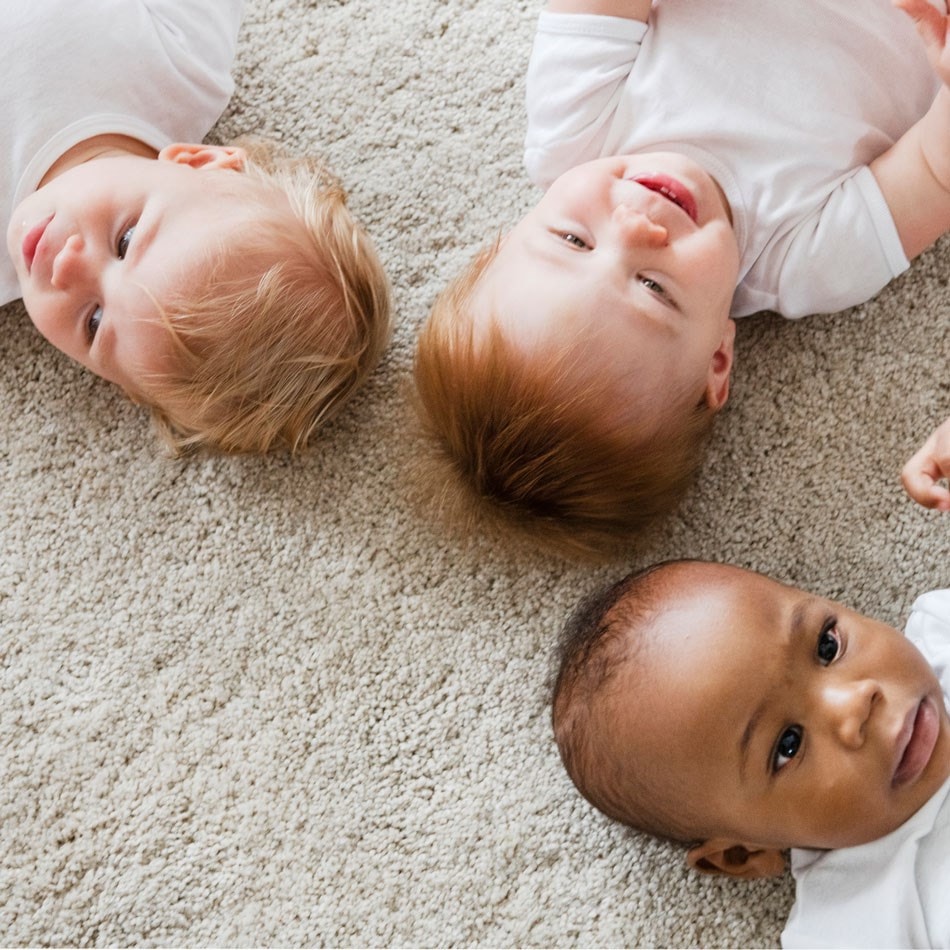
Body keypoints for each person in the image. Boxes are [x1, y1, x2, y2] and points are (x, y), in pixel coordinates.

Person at [414, 0, 950, 557]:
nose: (634, 226)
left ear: (494, 249)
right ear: (717, 359)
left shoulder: (572, 130)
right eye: (653, 287)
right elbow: (936, 171)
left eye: (573, 240)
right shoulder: (810, 261)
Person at [4, 1, 391, 454]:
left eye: (94, 321)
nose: (68, 266)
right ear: (201, 161)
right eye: (125, 242)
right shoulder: (183, 66)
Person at [552, 559, 950, 948]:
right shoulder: (854, 925)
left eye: (827, 645)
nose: (855, 703)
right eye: (787, 745)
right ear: (743, 854)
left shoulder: (941, 629)